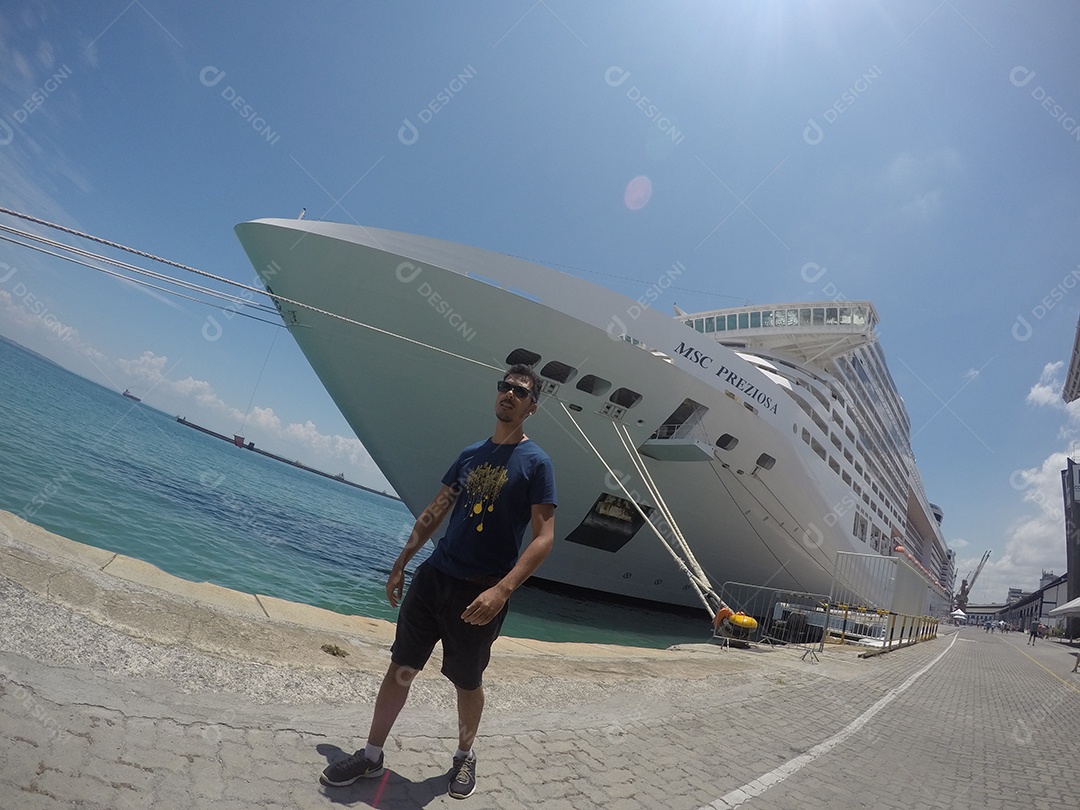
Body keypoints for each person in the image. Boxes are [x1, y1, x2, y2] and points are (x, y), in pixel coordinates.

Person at [321, 365, 557, 799]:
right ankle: (371, 756)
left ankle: (465, 756)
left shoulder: (536, 463)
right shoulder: (470, 454)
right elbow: (435, 512)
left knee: (467, 682)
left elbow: (545, 537)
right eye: (504, 386)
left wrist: (503, 589)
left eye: (519, 391)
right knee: (402, 667)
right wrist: (401, 562)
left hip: (480, 593)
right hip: (434, 579)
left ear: (532, 406)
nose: (508, 394)